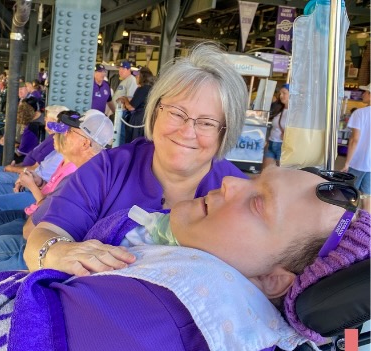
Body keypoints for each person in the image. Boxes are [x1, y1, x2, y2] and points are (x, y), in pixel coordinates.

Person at [0, 167, 369, 351]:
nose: (231, 183)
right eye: (254, 177)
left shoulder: (168, 314)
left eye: (258, 202)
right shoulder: (217, 295)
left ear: (273, 280)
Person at [24, 43, 249, 276]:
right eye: (176, 113)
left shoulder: (239, 194)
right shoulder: (108, 169)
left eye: (206, 122)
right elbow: (42, 235)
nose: (187, 131)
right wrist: (58, 251)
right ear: (154, 112)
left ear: (224, 133)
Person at [0, 109, 113, 277]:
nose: (65, 134)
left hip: (48, 259)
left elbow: (29, 230)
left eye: (71, 131)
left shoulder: (79, 180)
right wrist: (40, 183)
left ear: (85, 143)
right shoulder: (98, 173)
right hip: (50, 250)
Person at [342, 85, 371, 194]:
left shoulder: (359, 113)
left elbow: (355, 139)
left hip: (358, 162)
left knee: (349, 195)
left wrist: (347, 163)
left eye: (366, 92)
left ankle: (351, 212)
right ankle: (365, 212)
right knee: (367, 197)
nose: (363, 94)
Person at [118, 66, 154, 143]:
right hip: (146, 118)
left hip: (138, 120)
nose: (136, 77)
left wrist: (124, 99)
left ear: (142, 77)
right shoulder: (151, 88)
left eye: (138, 75)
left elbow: (131, 107)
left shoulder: (143, 89)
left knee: (134, 141)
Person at [113, 60, 138, 144]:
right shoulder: (124, 80)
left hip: (123, 113)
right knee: (117, 135)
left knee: (121, 136)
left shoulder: (131, 80)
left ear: (128, 70)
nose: (120, 71)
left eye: (123, 69)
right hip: (119, 112)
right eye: (119, 69)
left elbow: (130, 99)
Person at [265, 84, 290, 166]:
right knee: (267, 171)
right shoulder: (279, 109)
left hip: (282, 146)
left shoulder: (294, 113)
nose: (281, 96)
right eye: (280, 93)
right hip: (272, 143)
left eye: (284, 93)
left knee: (280, 173)